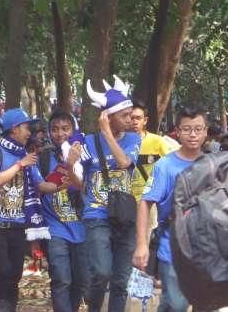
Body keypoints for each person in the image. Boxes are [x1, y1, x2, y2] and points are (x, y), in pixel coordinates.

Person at [133, 105, 208, 312]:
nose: (193, 134)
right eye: (187, 129)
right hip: (172, 246)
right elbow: (145, 202)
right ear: (177, 131)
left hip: (208, 249)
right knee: (177, 303)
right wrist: (142, 244)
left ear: (205, 132)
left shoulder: (214, 164)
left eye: (198, 129)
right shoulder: (164, 167)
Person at [0, 107, 57, 311]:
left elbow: (41, 186)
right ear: (14, 129)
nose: (29, 132)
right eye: (26, 128)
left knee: (13, 274)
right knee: (1, 270)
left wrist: (67, 182)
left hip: (18, 227)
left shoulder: (26, 155)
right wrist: (20, 165)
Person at [82, 76, 142, 311]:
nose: (131, 120)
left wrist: (107, 133)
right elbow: (78, 181)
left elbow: (124, 162)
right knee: (102, 273)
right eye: (125, 115)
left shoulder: (133, 139)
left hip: (125, 216)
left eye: (131, 114)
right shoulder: (88, 142)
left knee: (120, 281)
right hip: (96, 215)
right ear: (108, 117)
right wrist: (70, 166)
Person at [38, 108, 88, 312]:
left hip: (83, 227)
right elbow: (38, 188)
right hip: (54, 227)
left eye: (65, 129)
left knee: (82, 281)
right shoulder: (42, 158)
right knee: (61, 279)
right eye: (55, 129)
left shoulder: (85, 155)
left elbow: (85, 187)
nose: (60, 134)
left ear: (74, 130)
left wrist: (72, 163)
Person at [130, 101, 176, 203]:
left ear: (145, 120)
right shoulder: (119, 144)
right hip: (125, 201)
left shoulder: (157, 141)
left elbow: (172, 165)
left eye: (138, 118)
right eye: (131, 118)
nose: (135, 121)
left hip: (150, 201)